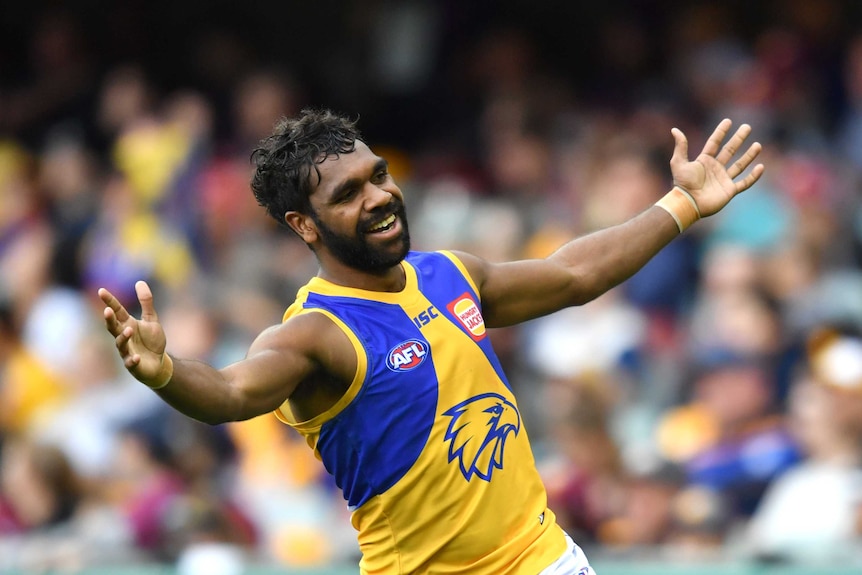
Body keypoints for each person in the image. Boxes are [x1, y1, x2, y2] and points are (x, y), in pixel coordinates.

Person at [98, 108, 764, 574]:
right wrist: (165, 372)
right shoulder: (315, 333)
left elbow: (573, 274)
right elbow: (232, 391)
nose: (381, 196)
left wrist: (680, 205)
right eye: (350, 194)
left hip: (545, 560)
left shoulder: (448, 275)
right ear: (304, 224)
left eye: (380, 175)